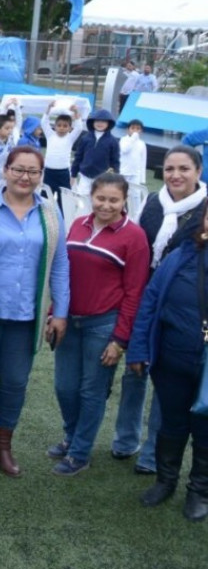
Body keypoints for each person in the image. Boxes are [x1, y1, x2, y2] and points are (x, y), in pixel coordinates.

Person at [0, 146, 69, 477]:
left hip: (27, 318)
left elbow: (60, 265)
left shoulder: (51, 214)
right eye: (18, 169)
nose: (25, 177)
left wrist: (60, 312)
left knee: (15, 382)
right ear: (5, 171)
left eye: (33, 171)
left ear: (41, 176)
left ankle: (3, 445)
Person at [49, 173, 148, 476]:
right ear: (91, 196)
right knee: (65, 387)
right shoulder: (79, 224)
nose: (106, 205)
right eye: (100, 198)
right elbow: (62, 273)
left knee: (91, 391)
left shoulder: (134, 236)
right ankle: (71, 436)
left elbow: (134, 292)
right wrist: (54, 312)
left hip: (103, 325)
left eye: (113, 200)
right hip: (69, 320)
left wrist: (120, 340)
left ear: (125, 201)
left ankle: (80, 452)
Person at [117, 145, 207, 474]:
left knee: (166, 386)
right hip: (145, 298)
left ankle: (152, 455)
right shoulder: (154, 202)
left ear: (198, 172)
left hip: (181, 309)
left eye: (184, 169)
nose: (175, 175)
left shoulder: (204, 208)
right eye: (170, 168)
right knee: (134, 371)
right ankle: (125, 440)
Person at [127, 204, 208, 521]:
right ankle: (165, 481)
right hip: (173, 358)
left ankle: (199, 492)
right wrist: (138, 350)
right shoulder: (182, 255)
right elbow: (150, 301)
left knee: (205, 429)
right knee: (171, 422)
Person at [72, 110, 121, 196]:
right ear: (92, 122)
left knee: (98, 198)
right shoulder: (85, 138)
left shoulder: (113, 141)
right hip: (85, 176)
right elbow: (78, 157)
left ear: (109, 123)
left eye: (103, 121)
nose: (100, 123)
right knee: (81, 199)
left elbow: (115, 161)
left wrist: (115, 178)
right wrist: (73, 174)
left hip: (102, 179)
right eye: (97, 121)